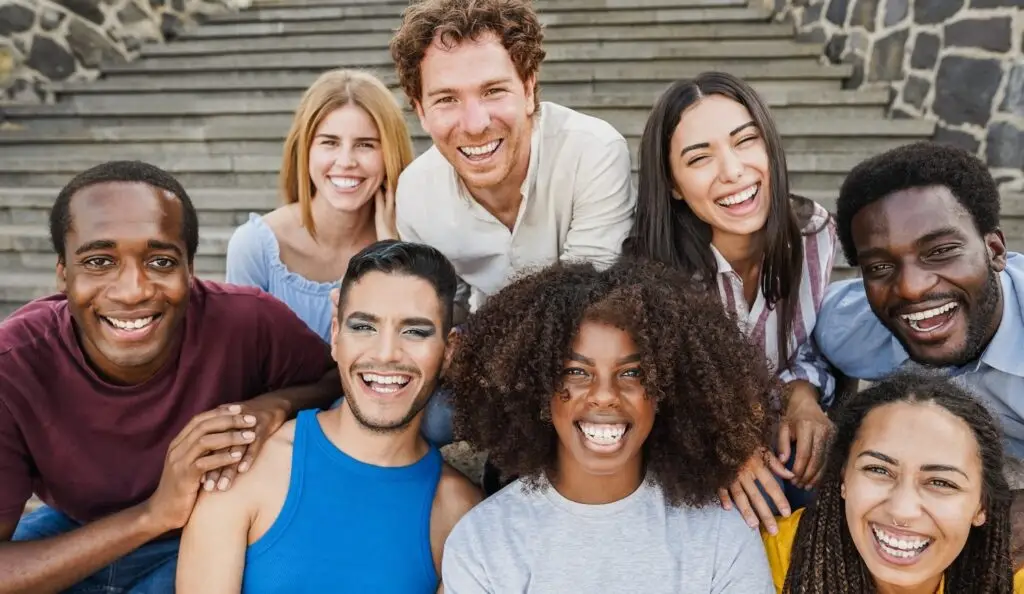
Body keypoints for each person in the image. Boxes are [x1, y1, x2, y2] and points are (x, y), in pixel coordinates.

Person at [0, 161, 338, 593]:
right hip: (76, 529)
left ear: (190, 268)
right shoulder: (15, 364)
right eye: (99, 261)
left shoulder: (246, 322)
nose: (133, 290)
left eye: (160, 261)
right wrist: (154, 513)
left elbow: (335, 380)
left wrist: (277, 405)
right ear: (63, 273)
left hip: (202, 534)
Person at [441, 259, 777, 592]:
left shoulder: (720, 537)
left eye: (633, 373)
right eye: (576, 372)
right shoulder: (484, 544)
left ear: (668, 390)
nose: (605, 396)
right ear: (536, 386)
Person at [178, 240, 481, 593]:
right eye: (364, 327)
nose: (385, 354)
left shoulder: (460, 513)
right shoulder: (249, 468)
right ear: (335, 336)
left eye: (414, 331)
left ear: (449, 353)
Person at [622, 71, 837, 534]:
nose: (733, 170)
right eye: (699, 158)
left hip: (772, 431)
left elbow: (803, 346)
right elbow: (646, 396)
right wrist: (724, 447)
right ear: (674, 184)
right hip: (683, 447)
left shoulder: (813, 234)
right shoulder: (651, 273)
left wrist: (803, 397)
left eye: (745, 141)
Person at [388, 0, 636, 320]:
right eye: (447, 99)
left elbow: (584, 302)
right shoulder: (415, 193)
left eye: (493, 91)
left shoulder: (593, 152)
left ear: (529, 89)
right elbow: (444, 317)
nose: (475, 124)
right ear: (421, 110)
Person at [813, 142, 1024, 458]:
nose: (911, 288)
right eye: (880, 267)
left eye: (940, 252)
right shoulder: (854, 327)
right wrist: (803, 396)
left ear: (994, 250)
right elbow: (802, 335)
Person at [762, 371, 1024, 593]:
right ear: (843, 478)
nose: (902, 510)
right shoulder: (773, 560)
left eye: (942, 483)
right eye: (878, 469)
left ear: (981, 506)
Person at [226, 68, 414, 343]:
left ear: (390, 154)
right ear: (305, 150)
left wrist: (391, 253)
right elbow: (240, 369)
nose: (346, 161)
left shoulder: (415, 241)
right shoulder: (254, 247)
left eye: (365, 145)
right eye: (330, 142)